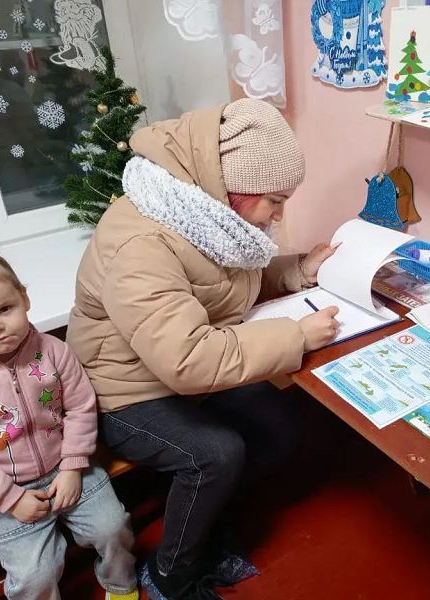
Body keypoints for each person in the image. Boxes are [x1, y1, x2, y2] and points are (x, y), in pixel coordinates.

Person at [66, 98, 341, 599]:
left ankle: (209, 527)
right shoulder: (142, 244)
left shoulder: (204, 215)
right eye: (274, 200)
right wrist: (296, 336)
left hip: (174, 369)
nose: (280, 213)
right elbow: (188, 360)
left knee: (278, 423)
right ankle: (170, 576)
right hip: (120, 390)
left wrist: (299, 270)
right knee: (215, 453)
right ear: (231, 187)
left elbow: (225, 285)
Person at [0, 248, 138, 600]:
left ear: (24, 298)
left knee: (114, 528)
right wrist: (11, 500)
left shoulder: (53, 351)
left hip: (68, 467)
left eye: (4, 309)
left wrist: (72, 467)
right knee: (36, 575)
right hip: (3, 491)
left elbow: (81, 407)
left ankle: (120, 584)